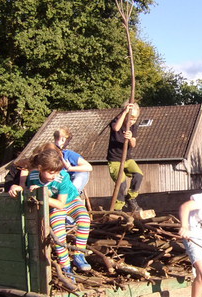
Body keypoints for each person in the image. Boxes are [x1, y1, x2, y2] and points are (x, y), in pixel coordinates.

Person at [24, 148, 92, 277]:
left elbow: (61, 203)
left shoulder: (62, 176)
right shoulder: (33, 177)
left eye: (56, 172)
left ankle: (79, 255)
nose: (54, 176)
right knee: (58, 232)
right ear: (40, 168)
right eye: (51, 173)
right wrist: (29, 191)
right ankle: (66, 266)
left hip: (70, 201)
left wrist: (41, 193)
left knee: (84, 219)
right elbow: (27, 193)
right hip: (53, 207)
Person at [106, 102, 144, 212]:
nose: (132, 121)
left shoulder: (134, 127)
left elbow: (133, 144)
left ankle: (131, 198)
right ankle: (118, 207)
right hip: (115, 160)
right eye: (131, 118)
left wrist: (130, 137)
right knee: (121, 182)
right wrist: (125, 112)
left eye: (135, 119)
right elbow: (116, 128)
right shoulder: (116, 121)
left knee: (139, 175)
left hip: (127, 158)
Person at [53, 127, 93, 194]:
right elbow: (89, 167)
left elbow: (89, 167)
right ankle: (72, 194)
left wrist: (70, 168)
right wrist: (69, 168)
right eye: (68, 141)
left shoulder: (47, 152)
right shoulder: (68, 154)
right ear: (63, 139)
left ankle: (71, 193)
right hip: (58, 183)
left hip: (63, 183)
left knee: (83, 173)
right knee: (83, 173)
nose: (68, 143)